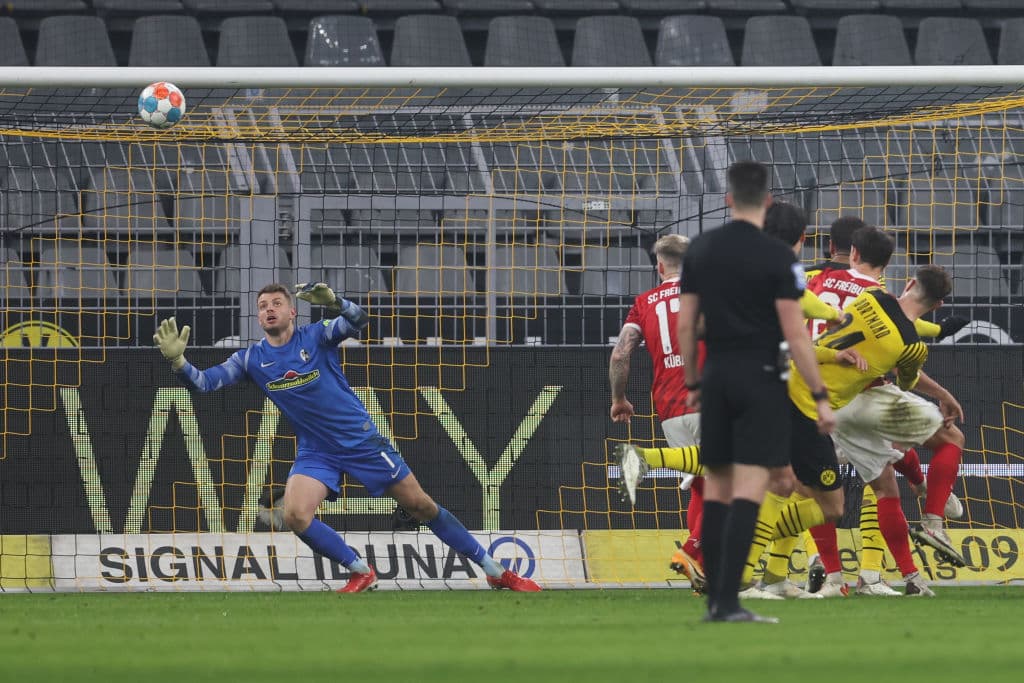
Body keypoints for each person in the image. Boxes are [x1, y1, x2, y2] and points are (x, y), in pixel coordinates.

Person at [152, 282, 541, 593]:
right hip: (316, 450)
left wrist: (336, 301)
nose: (267, 309)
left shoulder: (316, 336)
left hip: (361, 441)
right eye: (261, 306)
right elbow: (204, 384)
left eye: (275, 303)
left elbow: (358, 320)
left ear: (291, 311)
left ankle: (494, 570)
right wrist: (179, 362)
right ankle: (359, 570)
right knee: (295, 515)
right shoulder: (251, 359)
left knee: (422, 507)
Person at [677, 161, 837, 623]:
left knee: (719, 488)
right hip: (764, 379)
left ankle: (715, 602)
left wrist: (693, 383)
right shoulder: (778, 259)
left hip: (718, 376)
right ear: (767, 202)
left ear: (728, 199)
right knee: (752, 487)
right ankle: (729, 602)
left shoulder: (702, 249)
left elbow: (688, 324)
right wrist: (820, 396)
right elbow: (797, 333)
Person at [745, 261, 963, 598]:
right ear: (937, 306)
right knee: (948, 439)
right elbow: (906, 380)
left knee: (838, 488)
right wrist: (944, 393)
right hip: (831, 402)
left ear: (907, 284)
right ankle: (932, 522)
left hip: (806, 387)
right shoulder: (911, 346)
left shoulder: (870, 296)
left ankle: (863, 578)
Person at [608, 233, 706, 592]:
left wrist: (619, 399)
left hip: (669, 408)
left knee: (701, 483)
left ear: (659, 266)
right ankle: (695, 554)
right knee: (734, 482)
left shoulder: (644, 302)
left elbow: (620, 354)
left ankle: (704, 571)